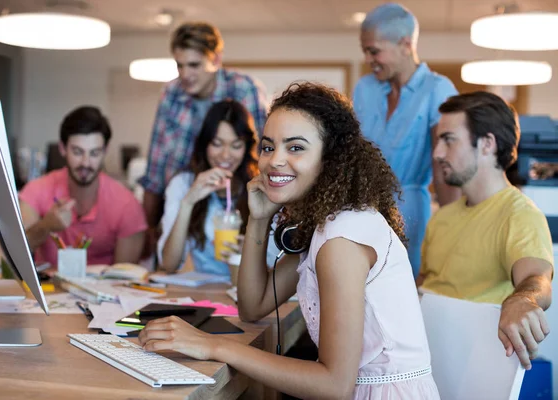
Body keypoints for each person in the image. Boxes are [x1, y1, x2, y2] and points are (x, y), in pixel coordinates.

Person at [139, 83, 440, 399]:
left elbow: (334, 385)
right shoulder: (324, 223)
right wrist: (258, 218)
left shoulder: (343, 239)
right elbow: (253, 306)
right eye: (268, 147)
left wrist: (212, 344)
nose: (274, 161)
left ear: (331, 158)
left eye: (295, 148)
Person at [418, 91, 554, 370]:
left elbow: (536, 278)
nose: (437, 153)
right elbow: (424, 288)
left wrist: (523, 300)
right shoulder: (443, 218)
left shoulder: (519, 213)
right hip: (427, 360)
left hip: (473, 367)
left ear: (487, 144)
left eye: (448, 140)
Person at [139, 21, 269, 261]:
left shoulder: (244, 89)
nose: (185, 75)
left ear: (216, 59)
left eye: (194, 65)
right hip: (183, 203)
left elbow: (264, 156)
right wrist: (148, 229)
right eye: (180, 65)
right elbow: (155, 172)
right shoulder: (171, 95)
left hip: (238, 201)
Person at [353, 3, 459, 275]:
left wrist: (454, 228)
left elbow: (444, 164)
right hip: (361, 206)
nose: (368, 59)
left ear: (405, 44)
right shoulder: (365, 88)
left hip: (409, 211)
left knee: (402, 287)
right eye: (365, 51)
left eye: (374, 51)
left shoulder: (438, 89)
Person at [158, 100, 278, 275]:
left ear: (246, 148)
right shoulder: (183, 184)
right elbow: (169, 264)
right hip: (204, 290)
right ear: (204, 144)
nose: (225, 155)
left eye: (236, 145)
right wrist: (188, 202)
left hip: (247, 290)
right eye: (217, 143)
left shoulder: (261, 187)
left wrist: (252, 249)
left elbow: (280, 267)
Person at [19, 106, 147, 267]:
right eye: (78, 152)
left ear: (105, 150)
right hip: (47, 290)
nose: (86, 163)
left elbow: (125, 278)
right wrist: (46, 226)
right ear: (62, 148)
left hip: (102, 290)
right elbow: (15, 252)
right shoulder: (36, 190)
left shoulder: (127, 205)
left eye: (94, 153)